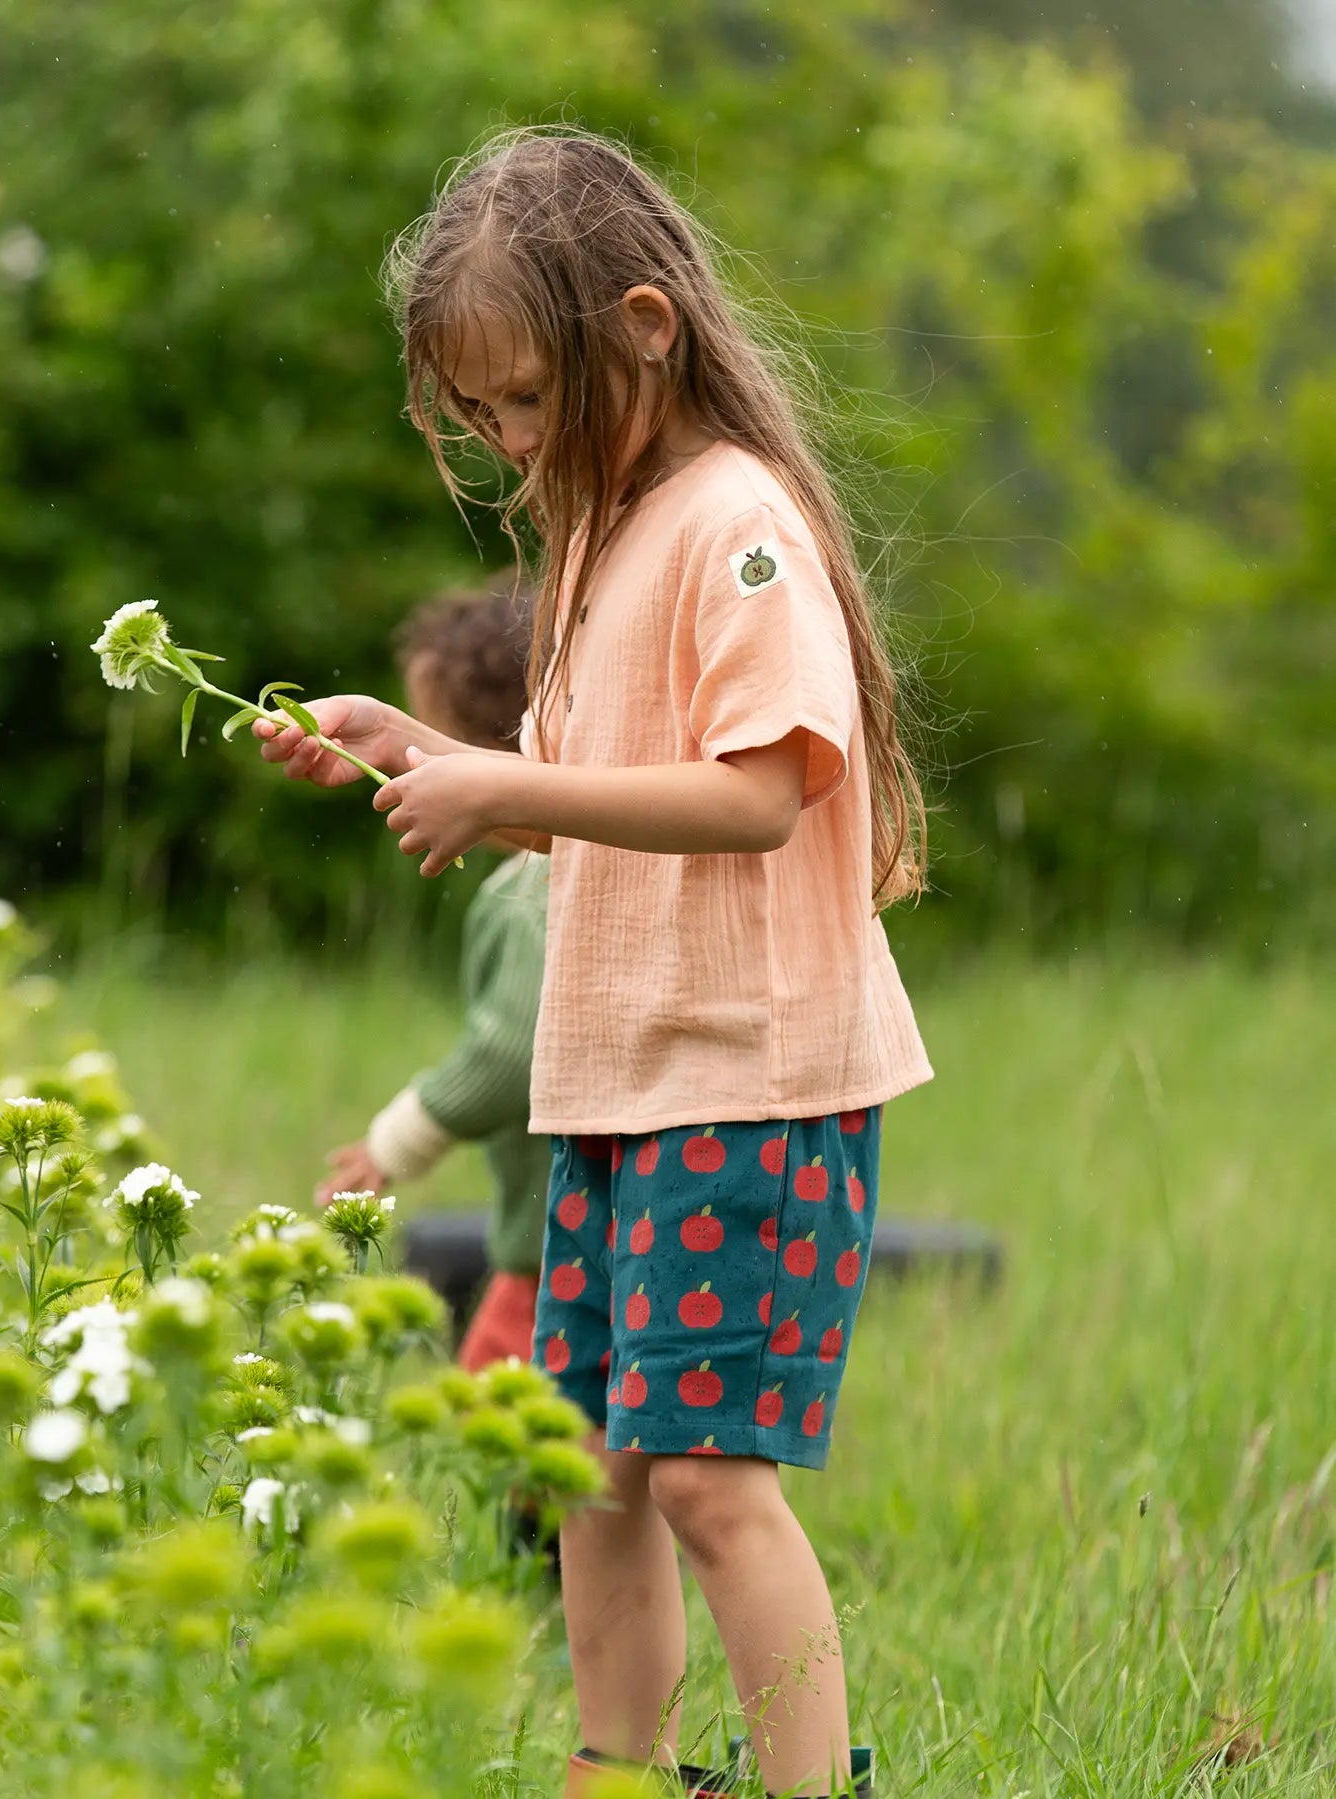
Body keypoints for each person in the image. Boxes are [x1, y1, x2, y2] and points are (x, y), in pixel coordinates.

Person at [256, 129, 932, 1799]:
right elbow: (585, 804)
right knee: (586, 1467)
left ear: (642, 324)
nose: (504, 441)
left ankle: (804, 1782)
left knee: (709, 1478)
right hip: (614, 1085)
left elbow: (762, 793)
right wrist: (423, 749)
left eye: (526, 404)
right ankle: (611, 1772)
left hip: (750, 1075)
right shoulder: (601, 535)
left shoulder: (735, 527)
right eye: (476, 415)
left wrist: (505, 781)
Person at [317, 586, 550, 1374]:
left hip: (559, 1246)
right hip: (589, 1234)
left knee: (504, 1431)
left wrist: (402, 1135)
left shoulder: (528, 896)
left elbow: (513, 1049)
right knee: (612, 1461)